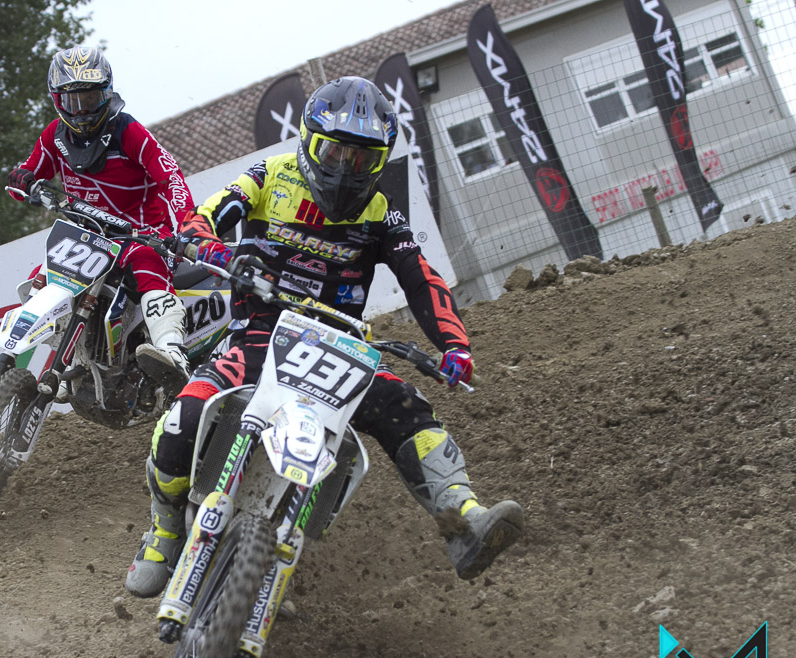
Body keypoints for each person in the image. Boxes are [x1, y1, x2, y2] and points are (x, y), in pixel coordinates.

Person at [125, 76, 524, 598]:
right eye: (335, 152)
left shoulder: (380, 212)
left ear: (379, 161)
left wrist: (455, 345)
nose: (346, 168)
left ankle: (464, 519)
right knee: (185, 415)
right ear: (309, 142)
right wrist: (212, 247)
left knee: (408, 407)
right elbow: (205, 218)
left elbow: (420, 277)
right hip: (261, 334)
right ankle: (164, 530)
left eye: (362, 158)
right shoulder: (269, 176)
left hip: (342, 348)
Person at [6, 46, 193, 392]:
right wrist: (21, 180)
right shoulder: (54, 136)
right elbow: (26, 178)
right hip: (85, 235)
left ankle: (172, 350)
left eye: (90, 99)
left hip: (141, 234)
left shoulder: (129, 131)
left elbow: (172, 177)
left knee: (148, 266)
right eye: (72, 100)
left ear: (106, 93)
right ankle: (72, 360)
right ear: (57, 100)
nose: (81, 110)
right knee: (36, 280)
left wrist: (188, 224)